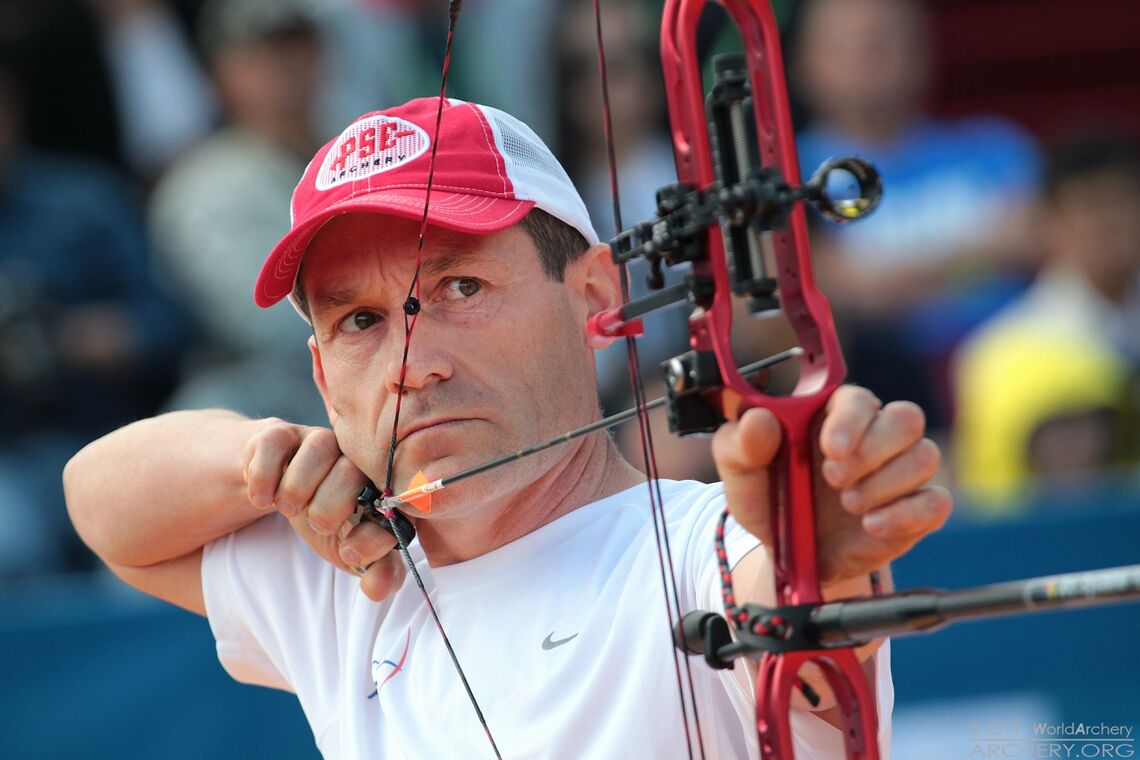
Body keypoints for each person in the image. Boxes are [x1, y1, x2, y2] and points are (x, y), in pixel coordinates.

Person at [65, 97, 951, 757]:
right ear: (322, 377)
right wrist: (264, 460)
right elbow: (99, 503)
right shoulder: (351, 576)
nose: (412, 363)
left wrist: (818, 561)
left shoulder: (704, 548)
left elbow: (792, 609)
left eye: (461, 288)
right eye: (360, 321)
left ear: (596, 297)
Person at [791, 0, 1041, 430]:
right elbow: (841, 294)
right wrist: (984, 256)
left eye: (886, 41)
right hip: (877, 396)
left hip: (1016, 372)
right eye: (850, 45)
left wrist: (895, 280)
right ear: (803, 63)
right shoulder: (789, 178)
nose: (871, 60)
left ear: (924, 51)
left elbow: (1040, 241)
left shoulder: (996, 147)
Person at [954, 135, 1140, 509]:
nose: (1110, 223)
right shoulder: (1002, 352)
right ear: (1049, 224)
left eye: (1122, 202)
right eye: (1090, 206)